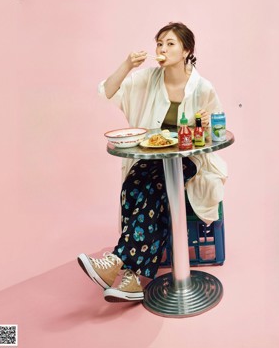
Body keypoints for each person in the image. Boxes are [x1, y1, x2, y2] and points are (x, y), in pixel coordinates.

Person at [78, 22, 227, 303]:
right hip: (152, 155)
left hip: (188, 158)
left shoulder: (202, 87)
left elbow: (215, 132)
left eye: (170, 43)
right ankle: (133, 278)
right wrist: (127, 65)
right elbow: (107, 91)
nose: (162, 49)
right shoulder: (147, 78)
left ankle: (116, 262)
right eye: (159, 43)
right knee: (134, 186)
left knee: (153, 188)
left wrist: (206, 122)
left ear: (187, 50)